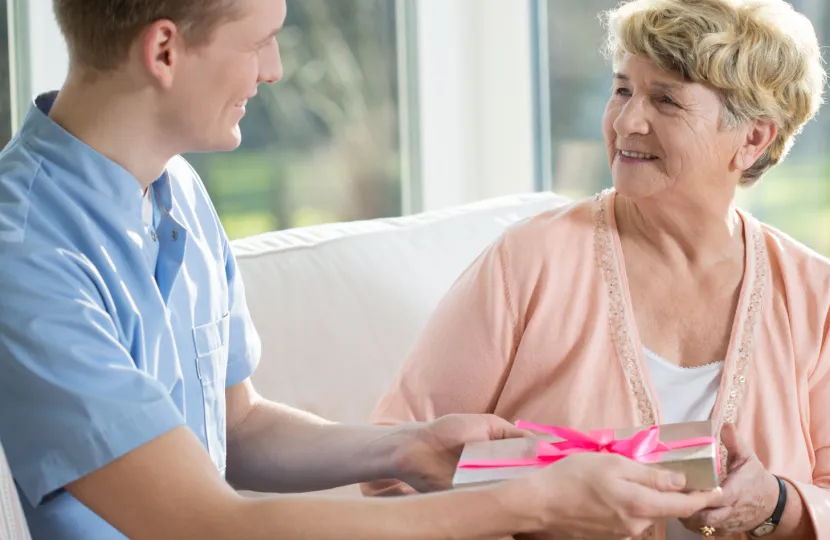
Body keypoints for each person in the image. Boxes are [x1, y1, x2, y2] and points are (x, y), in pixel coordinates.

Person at [0, 0, 725, 538]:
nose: (274, 70)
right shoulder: (25, 255)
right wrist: (532, 501)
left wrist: (409, 447)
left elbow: (236, 426)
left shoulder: (176, 189)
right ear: (163, 51)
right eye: (260, 42)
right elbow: (206, 523)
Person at [367, 0, 830, 538]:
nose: (626, 122)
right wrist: (527, 508)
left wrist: (776, 504)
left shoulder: (816, 293)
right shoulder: (529, 260)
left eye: (665, 100)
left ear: (753, 138)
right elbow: (395, 464)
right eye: (623, 89)